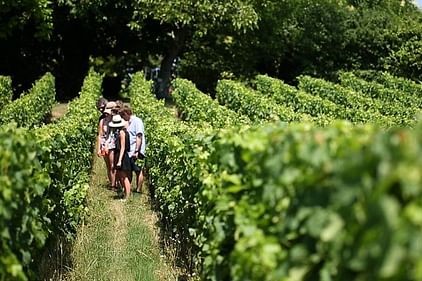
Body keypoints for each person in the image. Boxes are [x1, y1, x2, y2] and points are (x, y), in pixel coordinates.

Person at [119, 104, 146, 193]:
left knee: (138, 170)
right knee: (129, 170)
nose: (122, 118)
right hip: (131, 150)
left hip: (137, 151)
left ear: (127, 113)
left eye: (123, 115)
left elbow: (139, 136)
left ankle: (138, 190)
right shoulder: (129, 122)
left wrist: (137, 151)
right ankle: (129, 189)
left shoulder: (137, 121)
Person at [109, 114, 132, 200]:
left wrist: (119, 160)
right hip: (119, 154)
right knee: (121, 176)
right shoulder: (122, 132)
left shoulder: (122, 133)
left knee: (124, 176)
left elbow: (122, 147)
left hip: (121, 155)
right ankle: (125, 194)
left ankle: (127, 196)